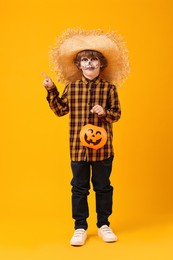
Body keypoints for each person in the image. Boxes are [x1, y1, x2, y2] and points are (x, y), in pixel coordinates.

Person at [42, 28, 130, 246]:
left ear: (101, 64)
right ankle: (80, 226)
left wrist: (105, 113)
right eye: (85, 60)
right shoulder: (71, 88)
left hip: (103, 149)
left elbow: (117, 114)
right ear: (79, 65)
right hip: (77, 149)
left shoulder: (109, 89)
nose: (89, 64)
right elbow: (61, 110)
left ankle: (103, 224)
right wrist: (52, 90)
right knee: (79, 188)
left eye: (94, 60)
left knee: (103, 187)